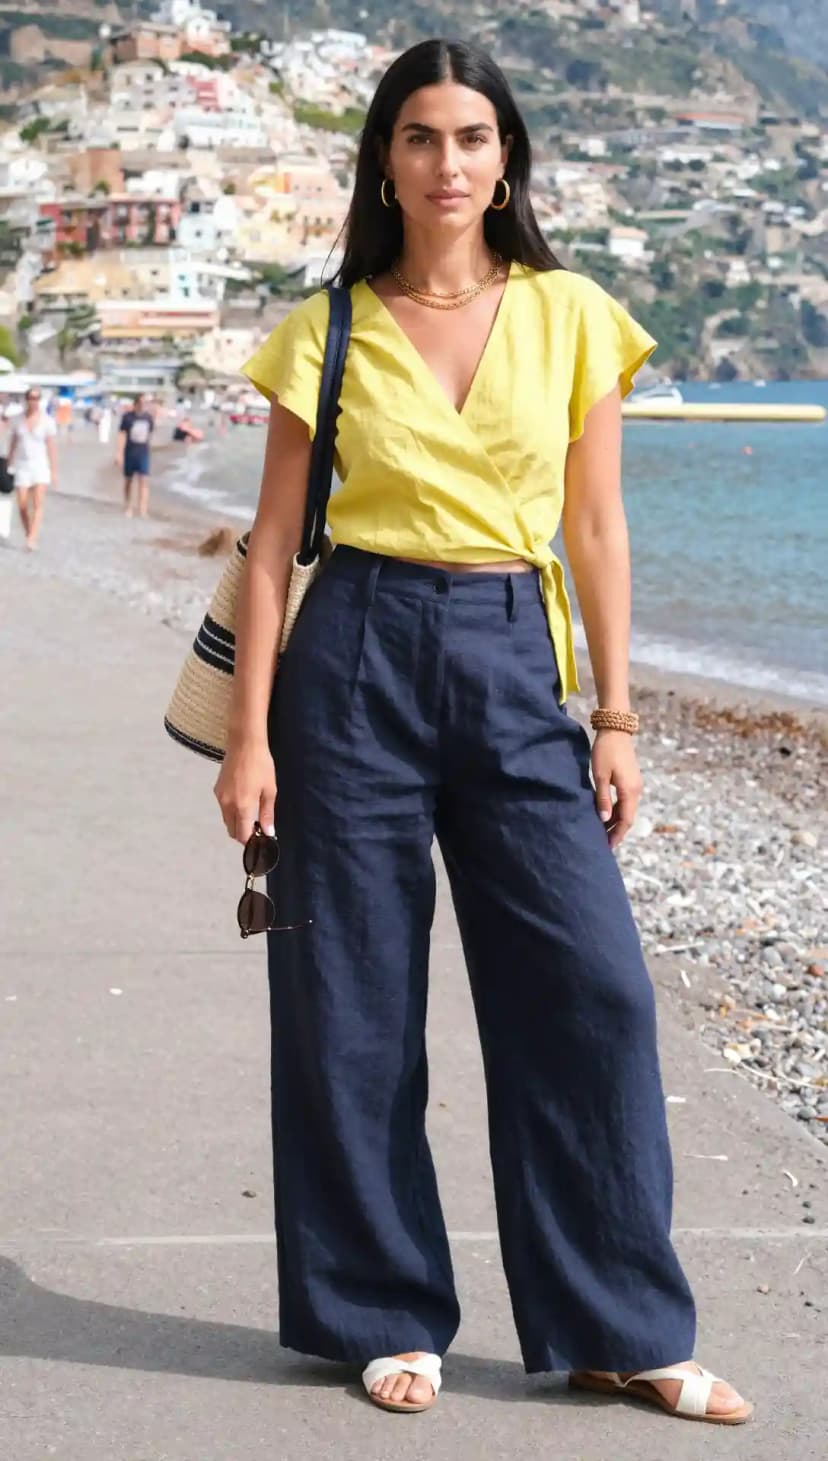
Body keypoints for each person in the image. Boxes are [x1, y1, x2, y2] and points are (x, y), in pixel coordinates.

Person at [213, 38, 753, 1426]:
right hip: (353, 669)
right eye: (418, 138)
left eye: (470, 136)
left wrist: (618, 715)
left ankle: (616, 1325)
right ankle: (380, 1307)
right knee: (350, 1002)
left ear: (506, 154)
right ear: (382, 163)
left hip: (519, 659)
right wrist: (249, 736)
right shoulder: (326, 328)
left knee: (594, 991)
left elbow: (596, 527)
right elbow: (274, 549)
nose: (447, 162)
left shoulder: (574, 313)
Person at [7, 387, 57, 551]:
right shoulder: (18, 420)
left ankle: (32, 538)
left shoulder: (47, 421)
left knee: (37, 503)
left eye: (36, 398)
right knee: (22, 504)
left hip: (40, 465)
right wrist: (9, 461)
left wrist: (54, 470)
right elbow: (13, 442)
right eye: (31, 398)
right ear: (26, 399)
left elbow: (51, 447)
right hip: (22, 465)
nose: (33, 401)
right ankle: (29, 533)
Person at [116, 393, 154, 517]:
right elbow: (122, 435)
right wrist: (119, 454)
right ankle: (128, 507)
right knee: (129, 481)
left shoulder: (148, 418)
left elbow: (150, 434)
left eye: (145, 403)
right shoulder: (127, 417)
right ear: (136, 404)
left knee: (144, 480)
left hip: (143, 453)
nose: (143, 405)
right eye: (141, 403)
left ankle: (143, 509)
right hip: (130, 452)